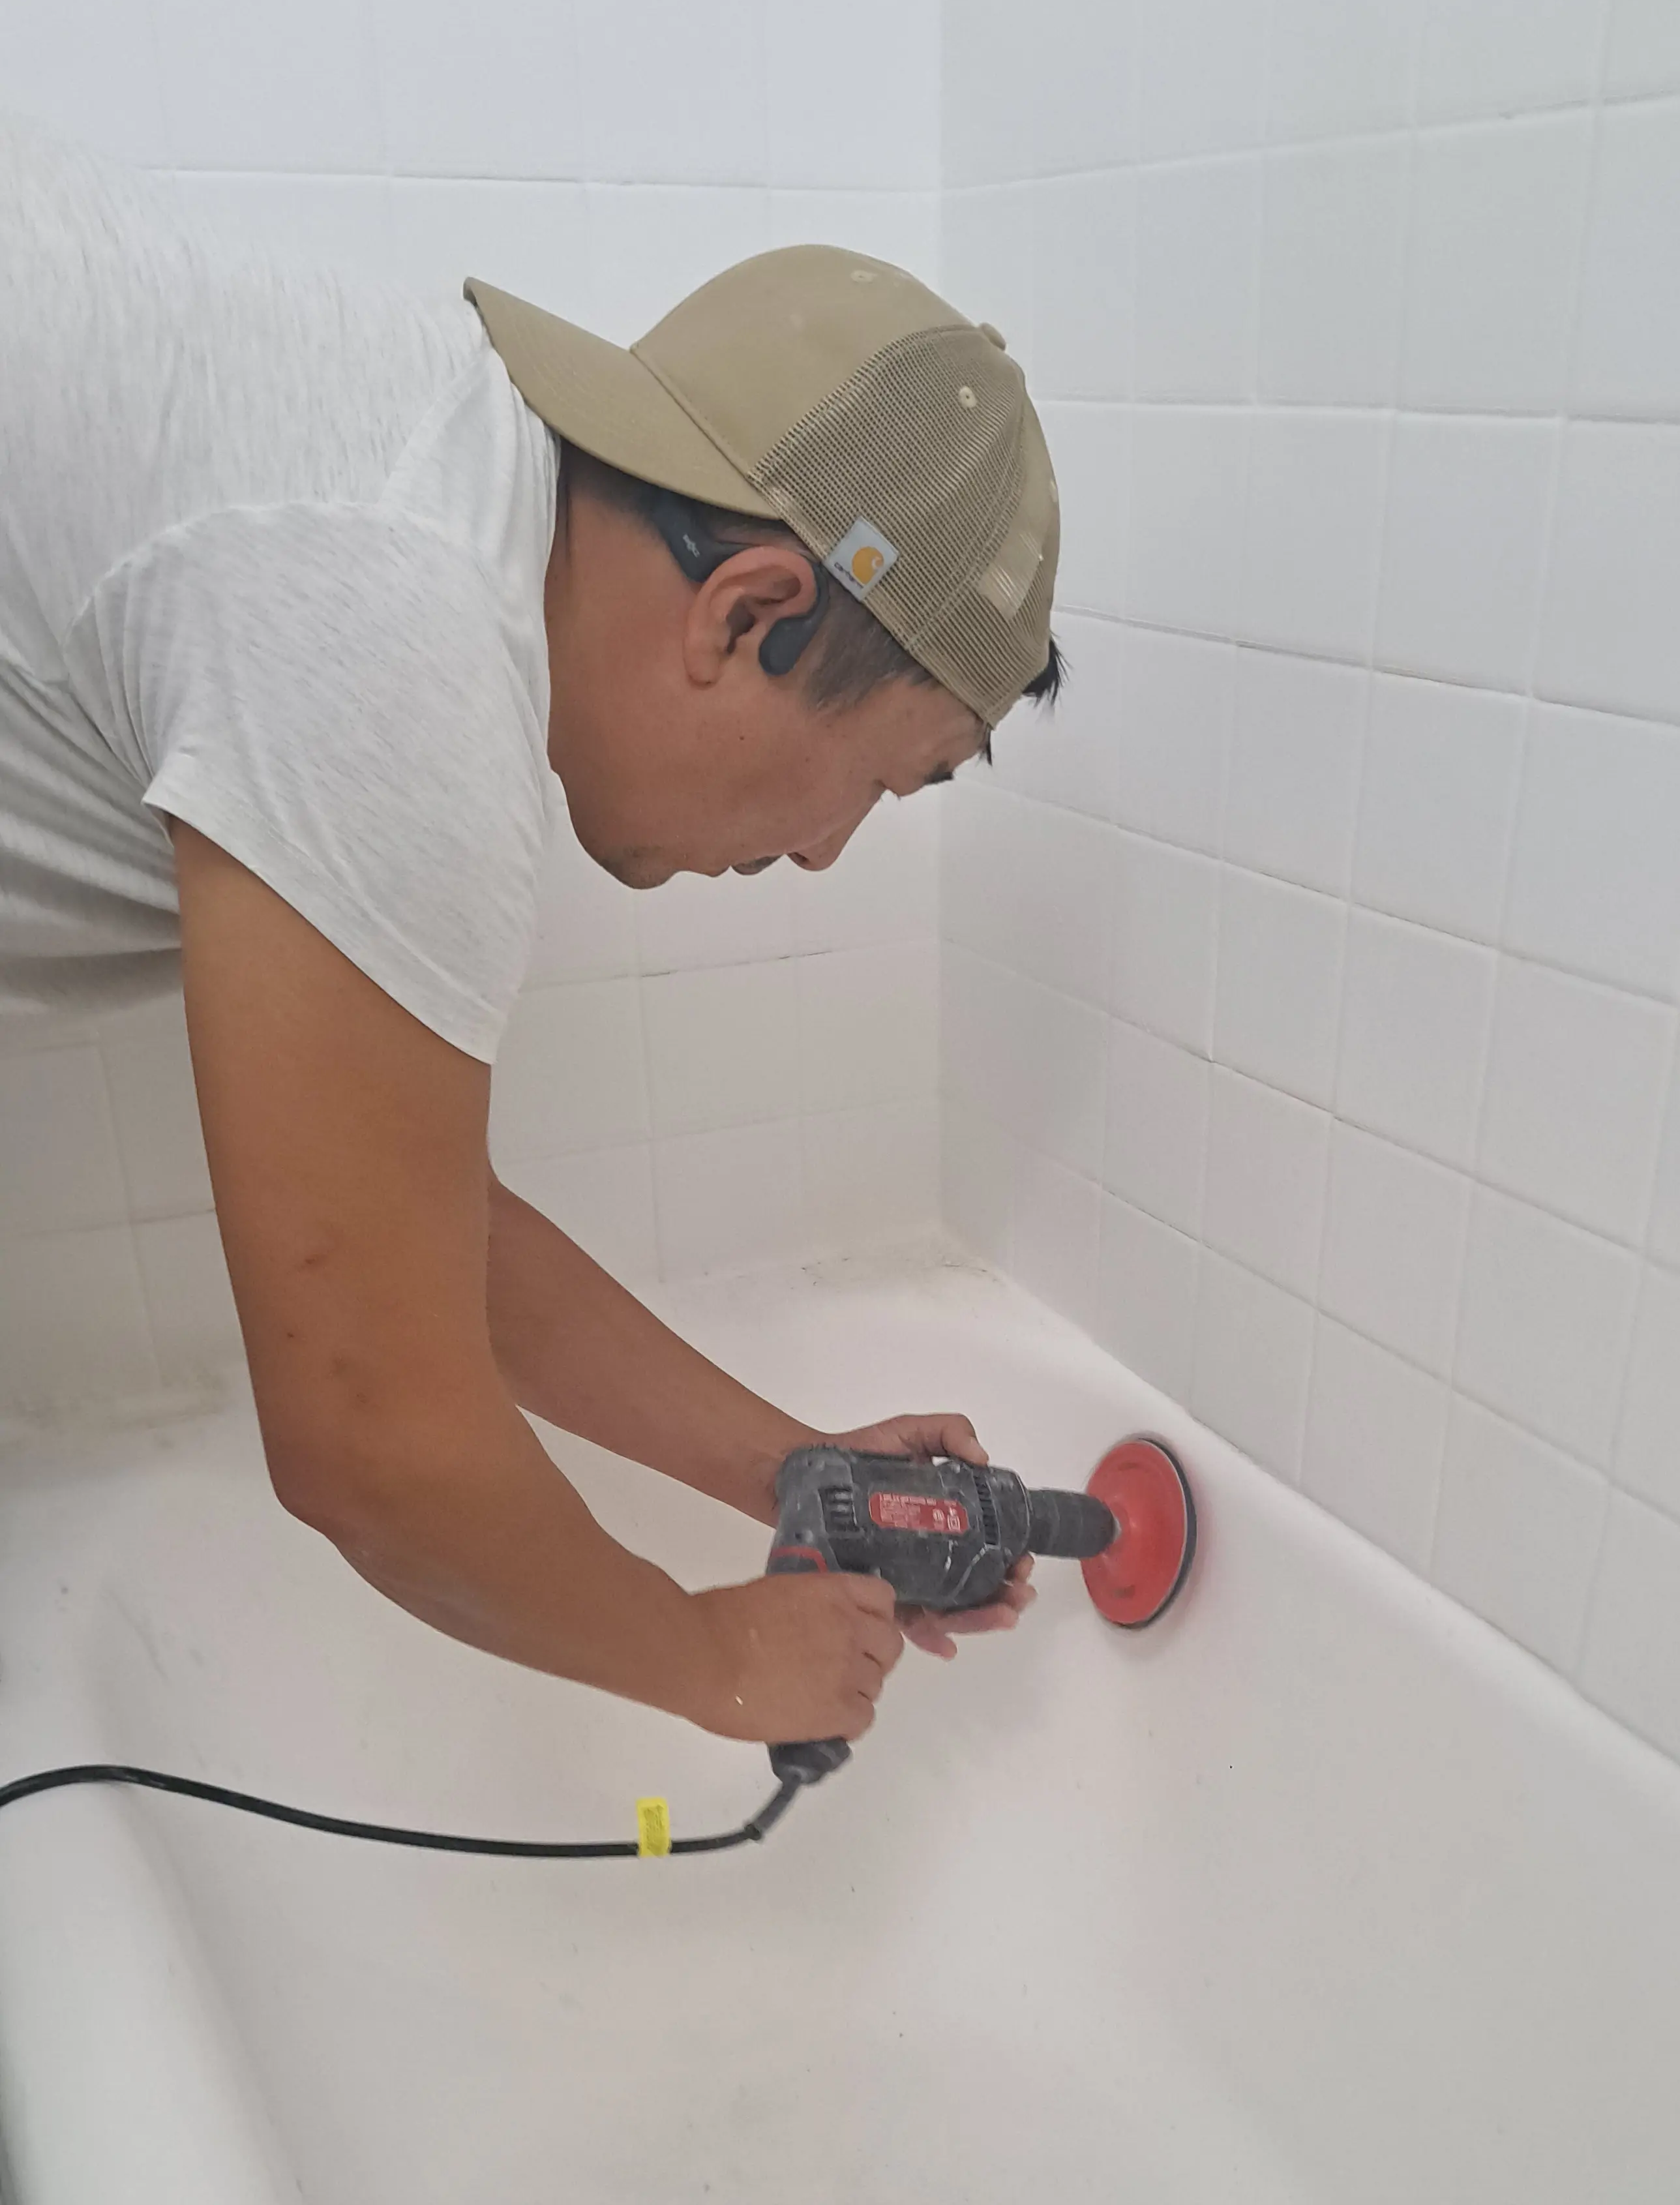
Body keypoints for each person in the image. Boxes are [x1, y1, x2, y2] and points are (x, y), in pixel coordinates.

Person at [0, 119, 1064, 1756]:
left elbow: (410, 1225)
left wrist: (787, 1470)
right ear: (749, 612)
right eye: (875, 782)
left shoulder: (416, 497)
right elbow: (375, 1433)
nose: (823, 850)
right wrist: (705, 1658)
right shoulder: (396, 628)